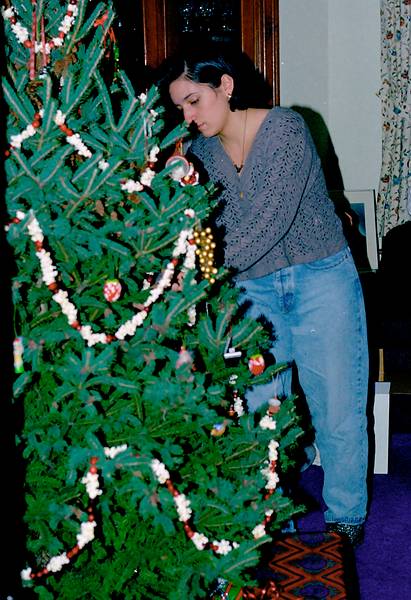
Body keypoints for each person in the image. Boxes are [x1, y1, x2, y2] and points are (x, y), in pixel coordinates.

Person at [159, 44, 369, 547]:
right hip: (253, 289)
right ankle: (273, 520)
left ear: (225, 86)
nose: (187, 117)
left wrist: (196, 283)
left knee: (336, 407)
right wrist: (178, 185)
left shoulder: (287, 129)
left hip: (321, 279)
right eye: (180, 109)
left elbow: (264, 228)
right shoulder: (204, 154)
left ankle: (346, 519)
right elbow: (207, 228)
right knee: (261, 413)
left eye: (194, 101)